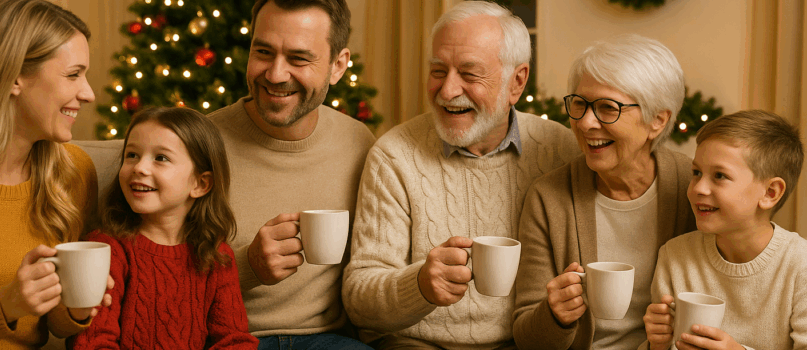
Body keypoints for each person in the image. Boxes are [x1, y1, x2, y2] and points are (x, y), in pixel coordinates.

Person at [342, 1, 581, 348]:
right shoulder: (393, 155)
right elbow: (358, 301)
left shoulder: (560, 150)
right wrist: (419, 285)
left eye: (469, 74)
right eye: (438, 71)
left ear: (517, 82)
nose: (447, 90)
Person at [0, 0, 113, 348]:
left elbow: (58, 327)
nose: (88, 93)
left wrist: (77, 305)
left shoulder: (73, 171)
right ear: (14, 76)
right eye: (73, 74)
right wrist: (5, 304)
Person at [204, 0, 376, 348]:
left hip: (329, 340)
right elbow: (158, 274)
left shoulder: (359, 142)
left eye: (298, 59)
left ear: (337, 66)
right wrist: (246, 266)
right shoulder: (199, 144)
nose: (275, 74)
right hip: (229, 336)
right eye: (263, 51)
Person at [512, 34, 695, 350]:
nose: (585, 124)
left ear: (658, 120)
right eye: (580, 104)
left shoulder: (692, 188)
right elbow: (528, 338)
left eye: (608, 108)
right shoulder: (550, 197)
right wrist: (555, 316)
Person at [70, 107, 258, 349]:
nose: (139, 168)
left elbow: (235, 341)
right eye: (132, 155)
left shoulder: (216, 255)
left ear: (200, 184)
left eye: (161, 158)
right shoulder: (107, 250)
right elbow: (94, 343)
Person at [641, 110, 806, 350]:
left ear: (770, 193)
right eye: (696, 172)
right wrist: (656, 344)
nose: (699, 188)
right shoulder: (674, 256)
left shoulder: (801, 265)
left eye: (720, 176)